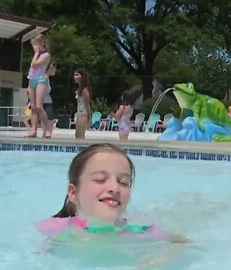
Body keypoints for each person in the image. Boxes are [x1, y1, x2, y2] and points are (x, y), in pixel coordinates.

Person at [35, 144, 173, 241]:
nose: (114, 188)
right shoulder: (53, 229)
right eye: (100, 179)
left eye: (124, 182)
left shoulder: (141, 230)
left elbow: (179, 243)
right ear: (73, 193)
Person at [26, 34, 51, 138]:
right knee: (33, 107)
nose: (34, 47)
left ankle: (48, 129)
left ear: (41, 44)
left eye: (35, 44)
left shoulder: (46, 55)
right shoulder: (37, 54)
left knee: (39, 106)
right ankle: (33, 130)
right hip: (32, 80)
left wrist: (36, 53)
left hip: (41, 80)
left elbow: (34, 64)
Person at [73, 68, 92, 139]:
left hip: (83, 114)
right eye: (74, 75)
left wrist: (89, 117)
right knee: (77, 135)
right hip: (79, 113)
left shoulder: (84, 90)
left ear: (82, 76)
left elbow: (87, 104)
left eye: (77, 75)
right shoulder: (79, 89)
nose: (74, 77)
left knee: (80, 136)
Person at [42, 62, 57, 138]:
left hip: (46, 101)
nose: (55, 70)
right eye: (54, 68)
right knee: (48, 117)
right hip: (44, 101)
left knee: (49, 117)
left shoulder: (46, 78)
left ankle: (46, 132)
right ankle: (47, 132)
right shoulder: (44, 78)